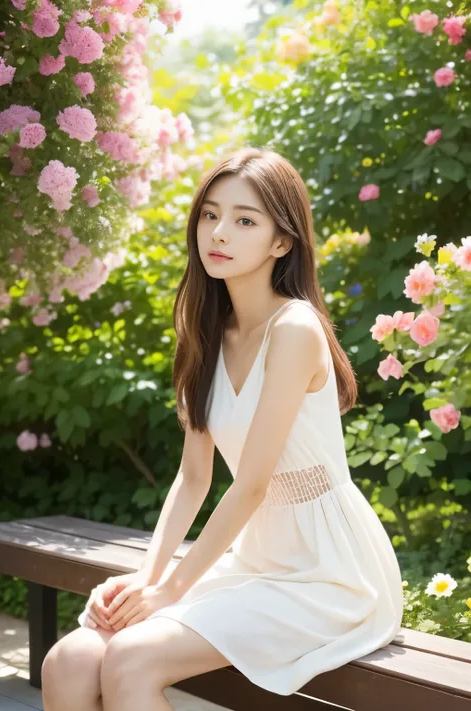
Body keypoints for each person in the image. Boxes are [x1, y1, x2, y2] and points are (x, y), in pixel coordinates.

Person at [41, 147, 403, 711]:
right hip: (256, 561)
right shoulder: (209, 332)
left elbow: (251, 483)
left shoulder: (295, 329)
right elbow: (192, 478)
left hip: (326, 571)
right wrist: (146, 579)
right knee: (69, 659)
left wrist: (171, 589)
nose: (220, 232)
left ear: (282, 242)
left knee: (131, 657)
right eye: (210, 214)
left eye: (245, 220)